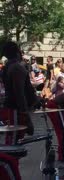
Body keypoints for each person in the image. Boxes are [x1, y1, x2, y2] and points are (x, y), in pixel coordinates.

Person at [0, 41, 38, 180]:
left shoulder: (10, 67)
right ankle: (9, 175)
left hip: (13, 109)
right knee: (12, 145)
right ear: (17, 52)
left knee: (14, 143)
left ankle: (12, 173)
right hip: (15, 111)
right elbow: (19, 94)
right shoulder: (16, 68)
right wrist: (27, 118)